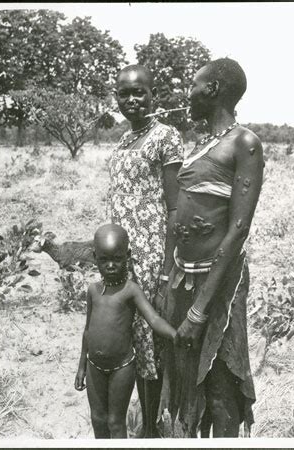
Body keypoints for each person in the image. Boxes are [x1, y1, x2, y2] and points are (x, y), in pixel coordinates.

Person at [159, 58, 265, 437]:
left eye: (194, 85)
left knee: (220, 387)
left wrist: (201, 310)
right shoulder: (206, 142)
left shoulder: (244, 143)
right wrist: (169, 273)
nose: (188, 93)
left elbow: (237, 230)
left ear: (213, 89)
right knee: (190, 382)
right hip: (185, 277)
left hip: (218, 285)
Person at [107, 65, 184, 437]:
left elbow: (174, 208)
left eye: (140, 92)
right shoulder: (123, 140)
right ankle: (145, 426)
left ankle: (154, 429)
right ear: (116, 98)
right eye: (125, 94)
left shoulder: (165, 136)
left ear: (154, 95)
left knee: (150, 342)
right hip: (120, 259)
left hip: (151, 255)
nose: (132, 100)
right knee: (131, 338)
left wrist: (168, 268)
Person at [75, 224, 176, 439]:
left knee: (115, 422)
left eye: (117, 259)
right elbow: (87, 331)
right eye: (104, 260)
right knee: (98, 419)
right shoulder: (93, 291)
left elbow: (154, 319)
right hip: (94, 366)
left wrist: (175, 335)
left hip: (122, 367)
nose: (110, 265)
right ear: (95, 257)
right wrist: (82, 367)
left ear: (127, 256)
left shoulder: (130, 290)